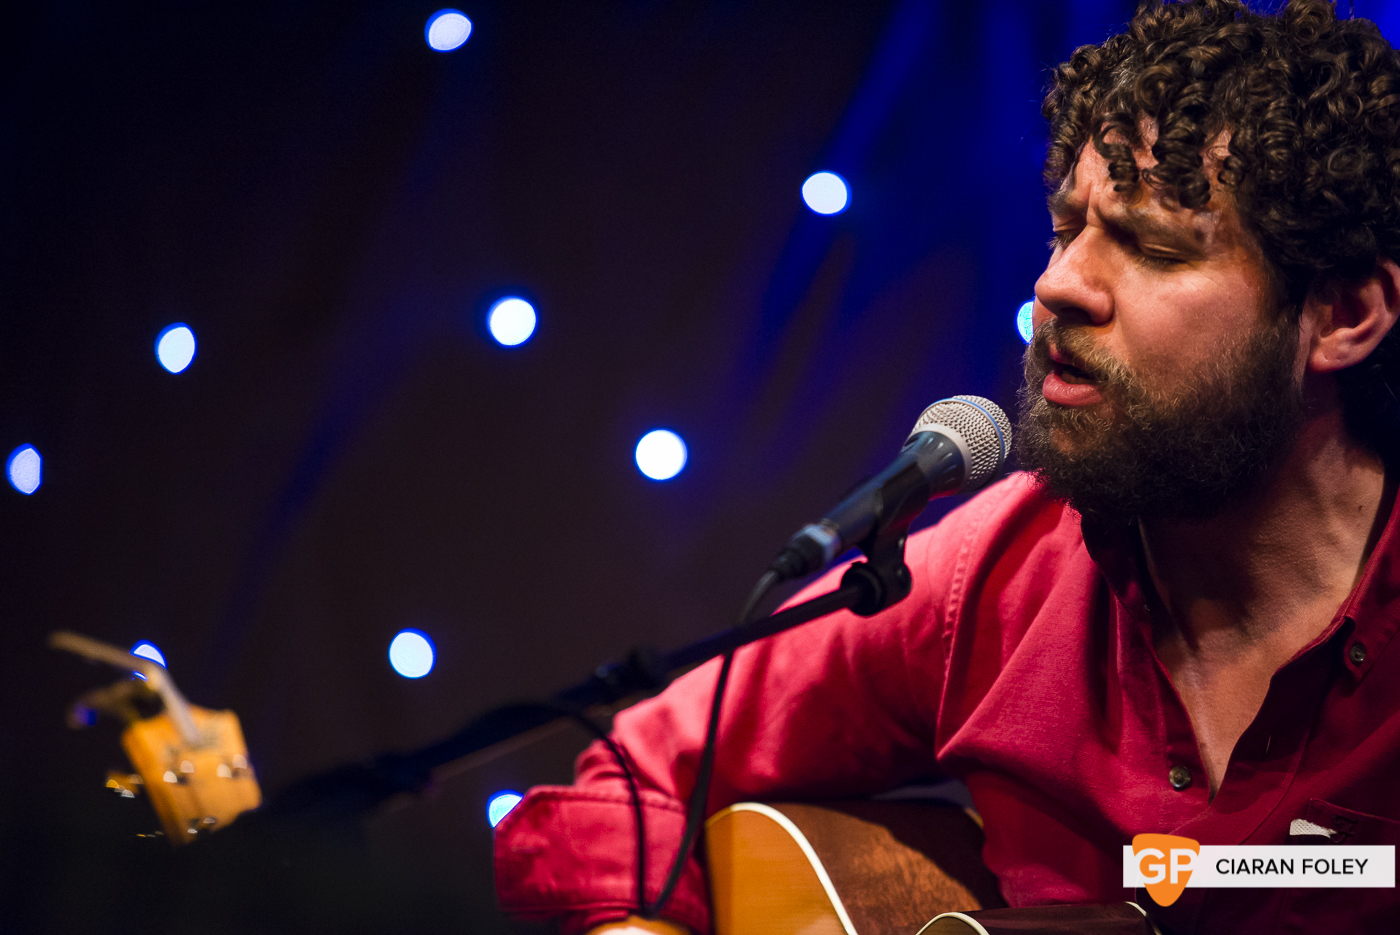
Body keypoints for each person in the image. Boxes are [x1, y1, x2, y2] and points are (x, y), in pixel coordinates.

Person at [494, 2, 1400, 932]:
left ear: (1344, 315)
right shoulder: (994, 575)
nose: (1058, 285)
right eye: (1066, 228)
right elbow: (631, 779)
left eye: (1155, 247)